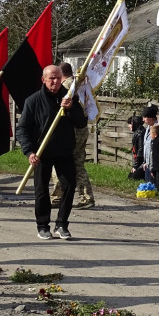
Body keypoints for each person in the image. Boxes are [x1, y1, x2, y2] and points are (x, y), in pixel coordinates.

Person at [17, 65, 86, 241]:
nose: (55, 82)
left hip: (64, 151)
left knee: (69, 186)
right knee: (41, 190)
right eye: (51, 78)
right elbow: (23, 129)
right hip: (42, 153)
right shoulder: (33, 101)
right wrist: (29, 151)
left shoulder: (69, 97)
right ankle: (43, 225)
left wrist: (71, 109)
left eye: (57, 78)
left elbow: (81, 123)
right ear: (44, 80)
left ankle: (62, 224)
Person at [51, 63, 95, 210]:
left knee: (61, 161)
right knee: (77, 164)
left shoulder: (67, 87)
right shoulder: (80, 83)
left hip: (73, 130)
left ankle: (59, 196)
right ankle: (85, 196)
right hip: (81, 129)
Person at [140, 104, 158, 183]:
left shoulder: (157, 128)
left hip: (153, 164)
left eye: (145, 117)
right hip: (147, 163)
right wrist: (144, 162)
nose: (143, 120)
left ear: (150, 118)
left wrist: (151, 166)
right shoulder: (148, 128)